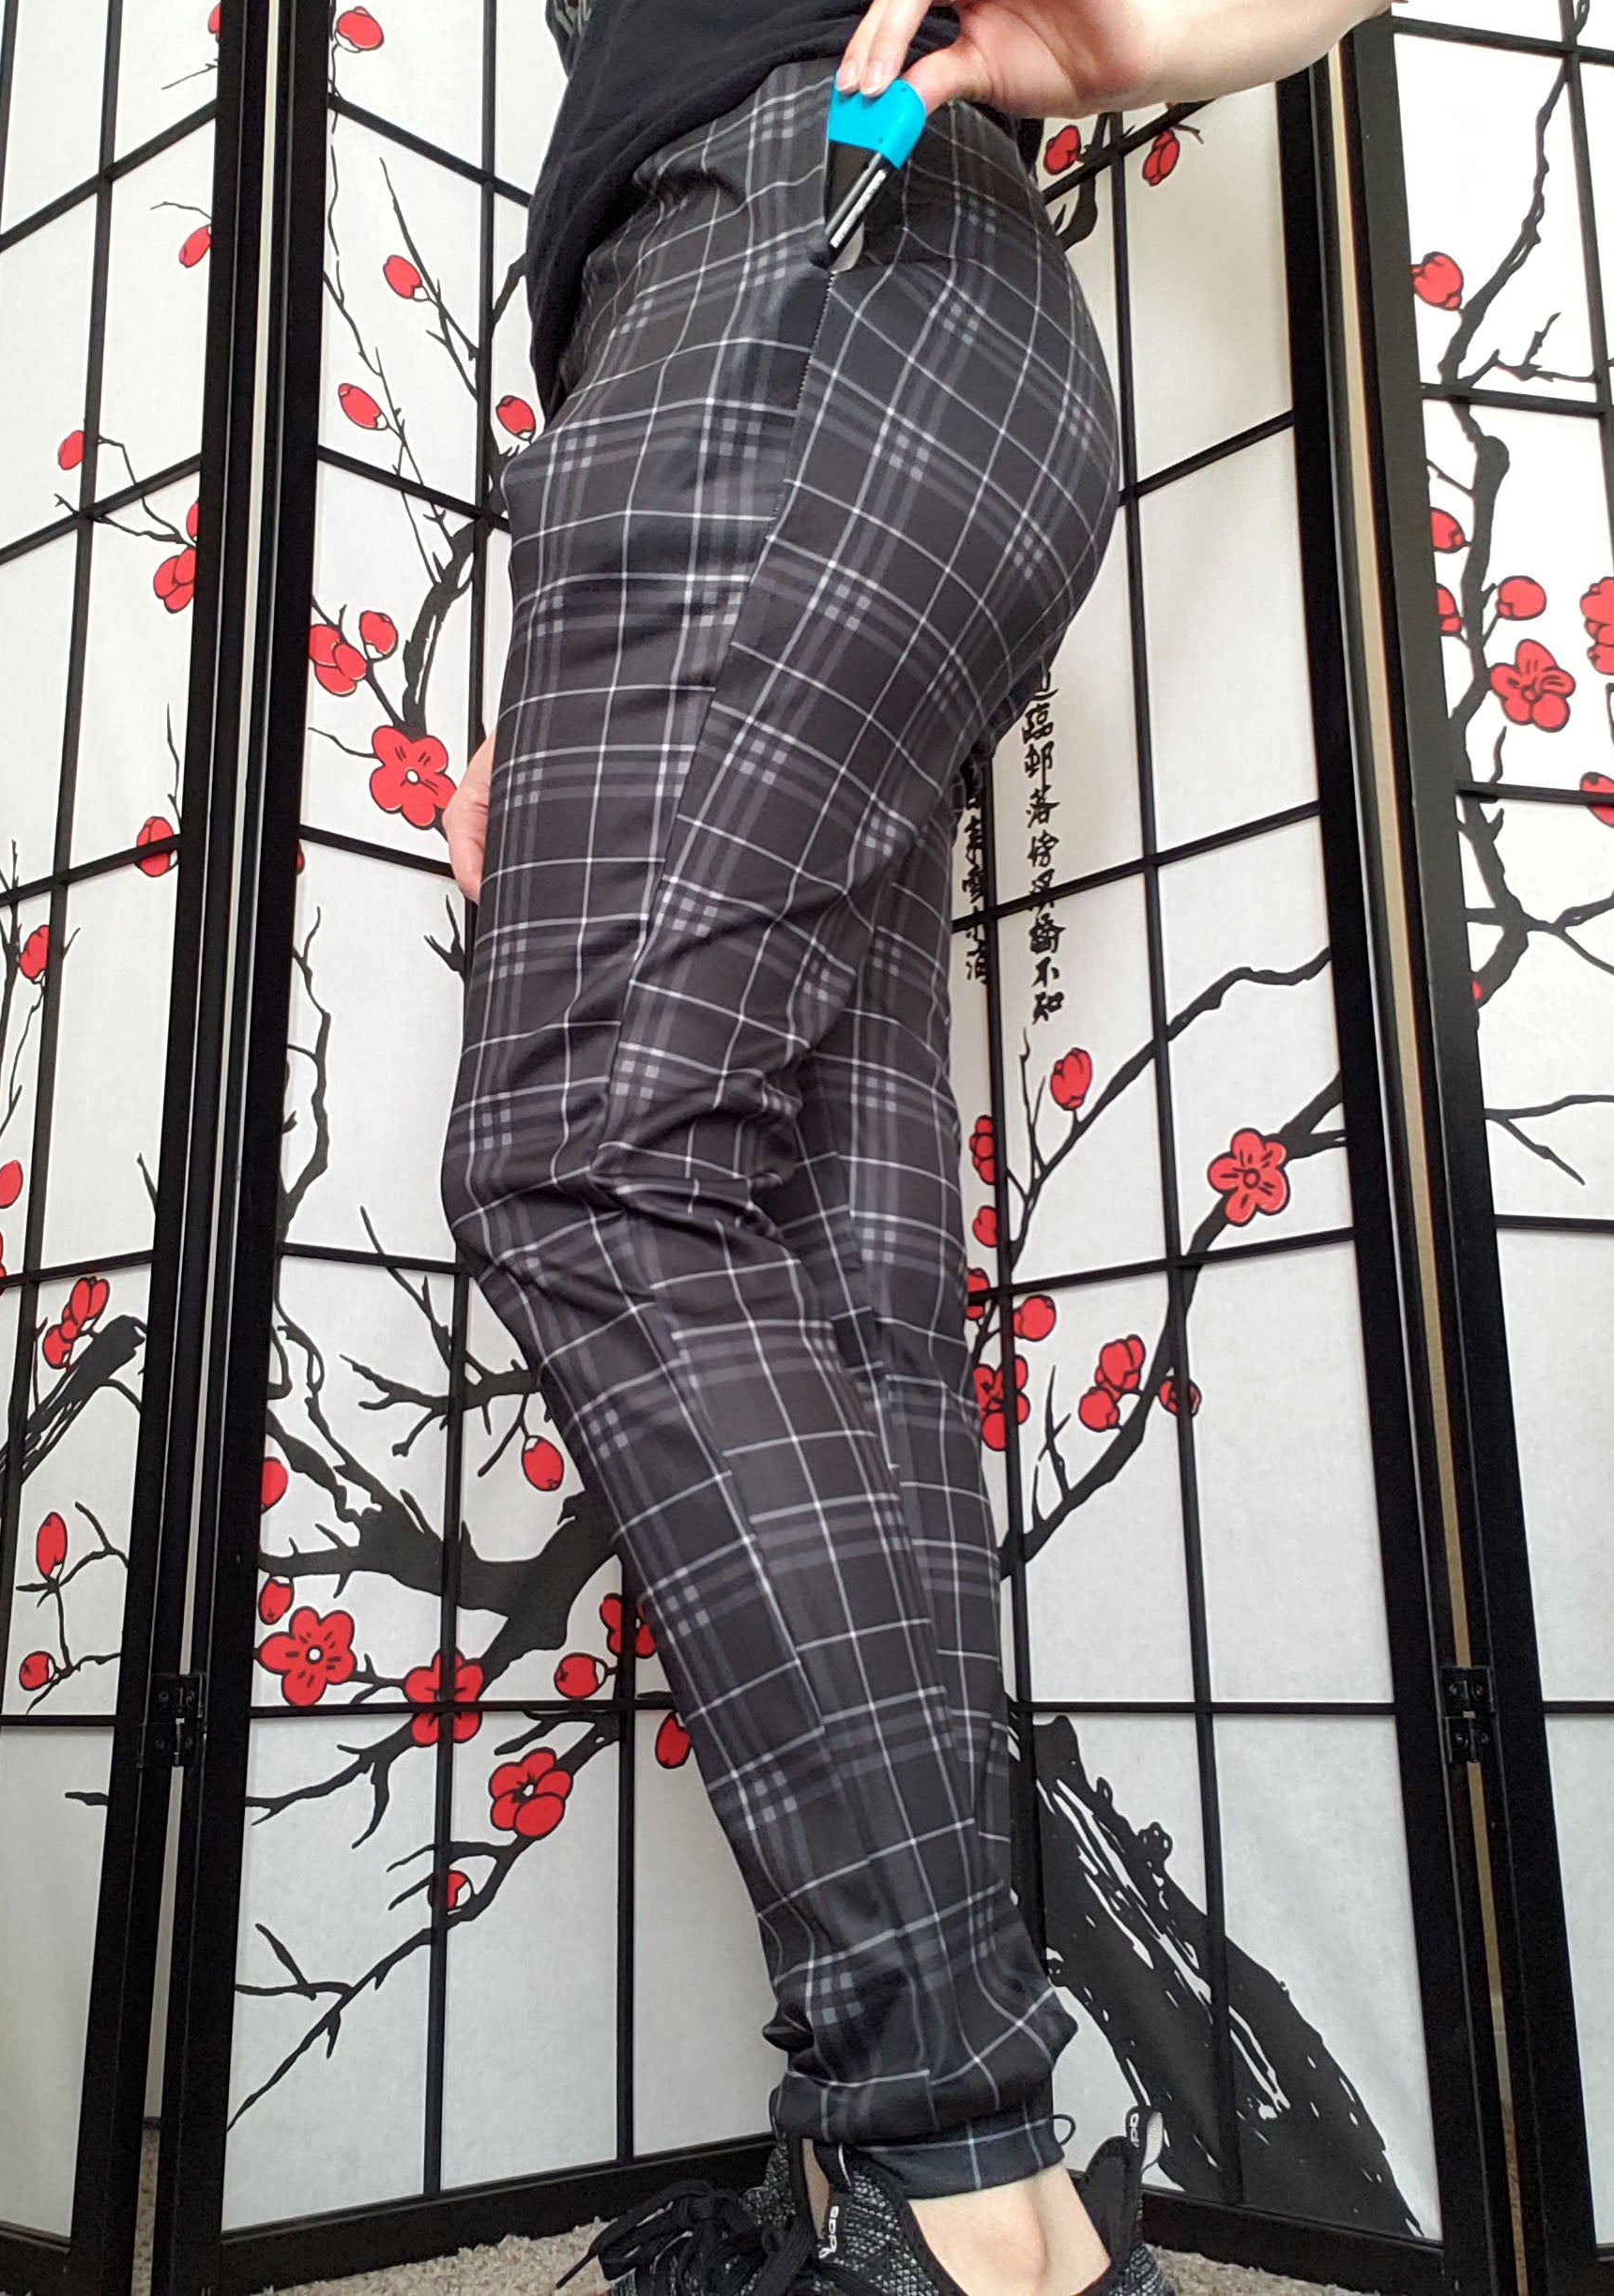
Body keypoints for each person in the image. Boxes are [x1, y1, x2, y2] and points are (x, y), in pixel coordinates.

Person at [438, 3, 1393, 2294]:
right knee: (836, 1301)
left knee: (586, 1158)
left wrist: (1102, 28)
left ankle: (952, 2187)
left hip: (809, 286)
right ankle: (997, 2205)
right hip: (862, 355)